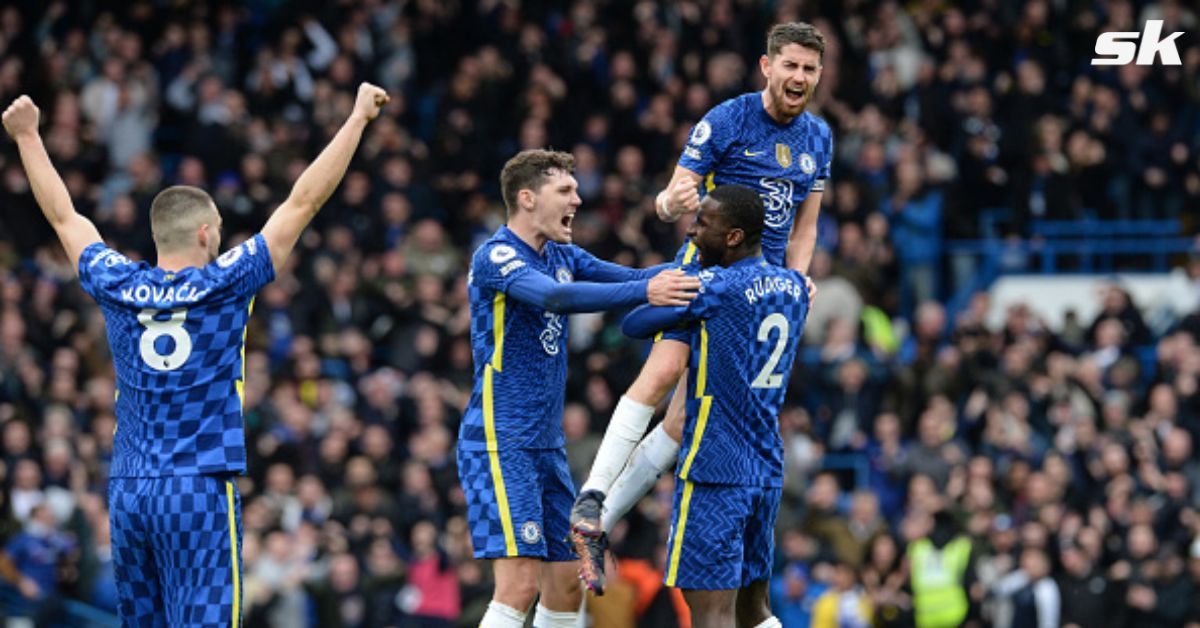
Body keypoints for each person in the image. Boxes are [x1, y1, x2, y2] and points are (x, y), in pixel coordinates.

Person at [1, 82, 390, 626]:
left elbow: (65, 217)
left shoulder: (119, 282)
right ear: (206, 234)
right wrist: (355, 120)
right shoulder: (226, 281)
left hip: (130, 488)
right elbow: (303, 200)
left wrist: (27, 137)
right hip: (197, 486)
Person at [570, 21, 833, 592]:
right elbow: (672, 197)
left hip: (759, 288)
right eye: (789, 64)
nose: (799, 76)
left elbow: (806, 226)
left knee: (685, 418)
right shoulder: (727, 119)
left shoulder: (819, 138)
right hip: (706, 271)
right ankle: (591, 498)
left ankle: (597, 525)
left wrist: (798, 281)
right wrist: (670, 203)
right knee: (664, 371)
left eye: (809, 68)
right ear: (767, 66)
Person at [457, 149, 699, 628]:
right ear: (527, 199)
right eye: (565, 191)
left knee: (567, 583)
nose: (578, 198)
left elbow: (635, 279)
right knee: (519, 586)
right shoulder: (497, 255)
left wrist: (711, 266)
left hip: (545, 446)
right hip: (499, 439)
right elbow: (554, 297)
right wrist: (645, 292)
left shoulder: (563, 255)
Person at [619, 184, 811, 628]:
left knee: (710, 613)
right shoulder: (796, 287)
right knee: (754, 609)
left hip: (715, 467)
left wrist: (678, 294)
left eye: (704, 223)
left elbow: (635, 323)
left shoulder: (718, 288)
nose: (692, 230)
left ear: (734, 237)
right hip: (765, 466)